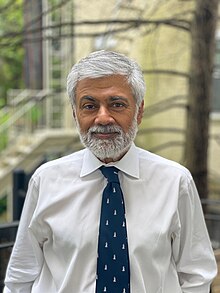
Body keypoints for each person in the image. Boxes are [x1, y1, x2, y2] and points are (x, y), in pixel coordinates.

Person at [4, 50, 217, 293]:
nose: (103, 118)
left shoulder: (175, 181)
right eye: (89, 105)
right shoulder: (46, 181)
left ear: (139, 111)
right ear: (75, 114)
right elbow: (21, 276)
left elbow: (196, 275)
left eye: (117, 104)